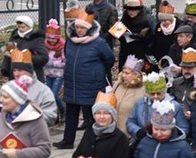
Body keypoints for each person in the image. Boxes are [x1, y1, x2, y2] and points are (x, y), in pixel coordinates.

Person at [55, 10, 113, 149]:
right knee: (71, 112)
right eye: (78, 27)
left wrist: (96, 72)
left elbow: (109, 58)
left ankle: (93, 141)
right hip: (72, 82)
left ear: (89, 29)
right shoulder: (70, 41)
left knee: (91, 115)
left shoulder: (98, 42)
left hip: (90, 83)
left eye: (83, 28)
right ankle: (68, 140)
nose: (79, 30)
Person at [1, 15, 47, 82]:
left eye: (23, 27)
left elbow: (44, 58)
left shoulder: (36, 39)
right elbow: (8, 53)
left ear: (29, 27)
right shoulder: (14, 37)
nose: (20, 29)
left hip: (31, 75)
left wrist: (26, 56)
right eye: (19, 27)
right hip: (15, 75)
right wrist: (5, 67)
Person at [118, 0, 154, 69]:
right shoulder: (124, 19)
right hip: (126, 52)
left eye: (133, 10)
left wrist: (140, 36)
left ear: (138, 10)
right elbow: (117, 35)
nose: (131, 12)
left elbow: (151, 39)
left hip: (140, 52)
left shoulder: (145, 21)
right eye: (129, 10)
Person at [113, 55, 146, 135]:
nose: (123, 75)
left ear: (136, 75)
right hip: (113, 132)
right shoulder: (118, 85)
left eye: (127, 73)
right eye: (123, 72)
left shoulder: (144, 89)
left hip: (129, 134)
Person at [43, 19, 66, 120]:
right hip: (48, 74)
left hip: (58, 74)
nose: (51, 41)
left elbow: (64, 62)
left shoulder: (62, 48)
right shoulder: (45, 46)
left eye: (54, 39)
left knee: (53, 94)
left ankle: (62, 109)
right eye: (49, 38)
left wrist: (52, 63)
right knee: (49, 95)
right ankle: (54, 114)